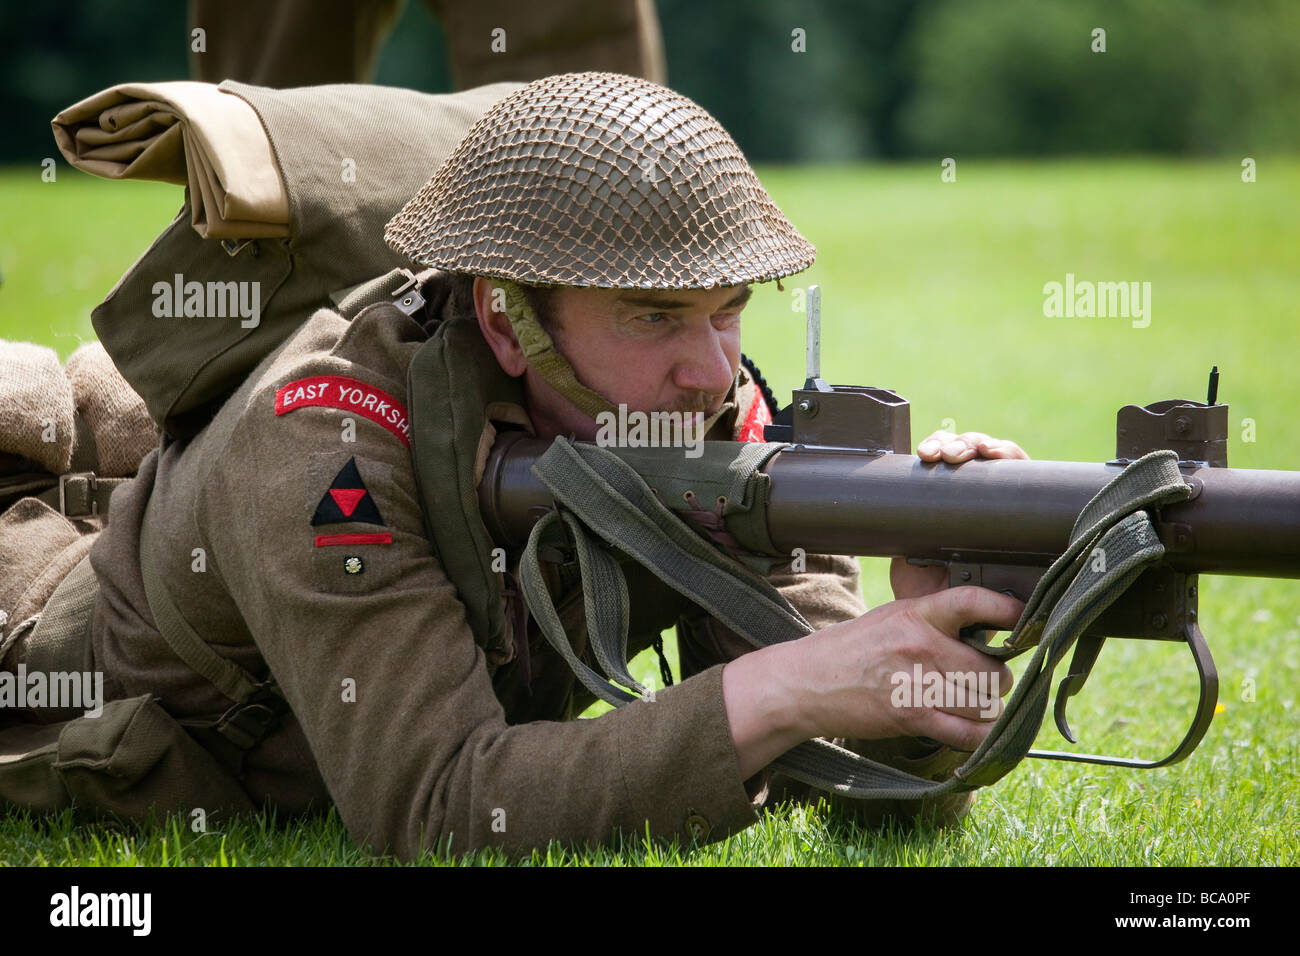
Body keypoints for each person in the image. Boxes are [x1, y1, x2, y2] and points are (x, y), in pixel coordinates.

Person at [85, 71, 1025, 859]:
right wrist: (786, 686)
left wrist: (922, 645)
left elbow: (841, 775)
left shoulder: (707, 410)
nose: (711, 370)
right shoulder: (324, 438)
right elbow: (441, 807)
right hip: (114, 703)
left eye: (728, 309)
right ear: (506, 320)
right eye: (652, 315)